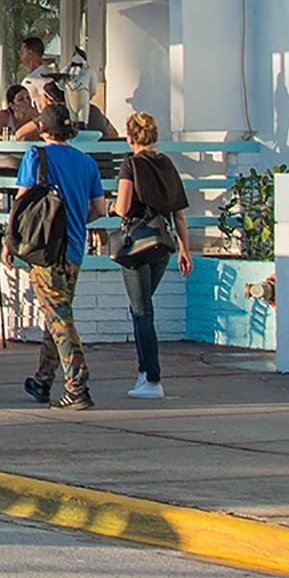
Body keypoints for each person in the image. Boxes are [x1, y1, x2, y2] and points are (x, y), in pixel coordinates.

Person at [16, 100, 105, 410]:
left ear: (43, 129)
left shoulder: (35, 156)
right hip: (75, 249)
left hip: (45, 250)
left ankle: (77, 386)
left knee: (59, 317)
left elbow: (23, 202)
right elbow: (98, 210)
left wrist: (8, 242)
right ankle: (43, 380)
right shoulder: (87, 163)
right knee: (58, 313)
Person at [113, 110, 192, 399]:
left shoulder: (130, 164)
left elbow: (122, 207)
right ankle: (144, 373)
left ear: (130, 136)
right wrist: (185, 248)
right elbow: (179, 214)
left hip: (136, 243)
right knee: (143, 307)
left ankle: (152, 377)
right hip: (163, 244)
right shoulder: (167, 164)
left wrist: (110, 207)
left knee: (142, 310)